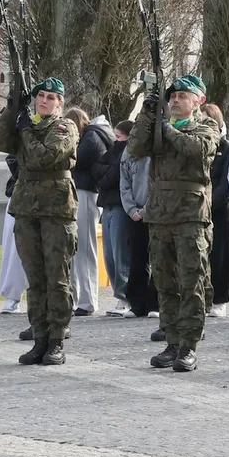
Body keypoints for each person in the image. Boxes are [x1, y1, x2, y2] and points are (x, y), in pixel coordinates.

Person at [129, 76, 220, 372]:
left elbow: (197, 149)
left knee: (191, 281)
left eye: (182, 96)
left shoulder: (206, 126)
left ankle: (189, 345)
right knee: (165, 282)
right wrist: (147, 113)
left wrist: (166, 128)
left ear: (199, 100)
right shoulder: (159, 127)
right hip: (160, 214)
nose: (176, 100)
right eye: (172, 96)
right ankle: (172, 341)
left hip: (191, 215)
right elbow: (135, 148)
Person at [0, 76, 80, 366]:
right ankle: (40, 338)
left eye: (51, 97)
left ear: (60, 102)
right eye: (40, 96)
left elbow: (45, 156)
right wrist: (12, 109)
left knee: (57, 277)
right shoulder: (25, 123)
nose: (44, 101)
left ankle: (56, 340)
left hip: (56, 209)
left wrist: (26, 129)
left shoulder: (65, 127)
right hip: (27, 208)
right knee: (35, 278)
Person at [69, 107, 113, 317]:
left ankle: (87, 300)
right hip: (83, 192)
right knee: (78, 248)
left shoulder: (92, 137)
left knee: (85, 248)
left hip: (85, 193)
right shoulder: (95, 135)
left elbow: (75, 160)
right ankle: (80, 298)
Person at [93, 119, 132, 315]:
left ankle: (125, 296)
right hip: (107, 205)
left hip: (120, 205)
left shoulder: (126, 151)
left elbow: (115, 174)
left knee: (120, 253)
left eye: (119, 137)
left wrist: (105, 174)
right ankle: (119, 295)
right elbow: (96, 168)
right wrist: (105, 173)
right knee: (109, 254)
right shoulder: (113, 150)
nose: (115, 141)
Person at [121, 127, 158, 325]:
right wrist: (131, 208)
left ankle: (155, 303)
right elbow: (124, 181)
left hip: (155, 212)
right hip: (134, 212)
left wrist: (145, 210)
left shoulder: (157, 148)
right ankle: (136, 303)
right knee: (137, 258)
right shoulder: (128, 151)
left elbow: (158, 183)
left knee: (158, 258)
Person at [203, 102, 229, 318]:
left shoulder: (228, 148)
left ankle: (220, 299)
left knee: (220, 256)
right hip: (198, 210)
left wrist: (209, 202)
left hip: (219, 209)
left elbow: (227, 181)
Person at [0, 152, 27, 314]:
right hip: (20, 192)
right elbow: (12, 157)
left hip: (47, 195)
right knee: (13, 248)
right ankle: (13, 296)